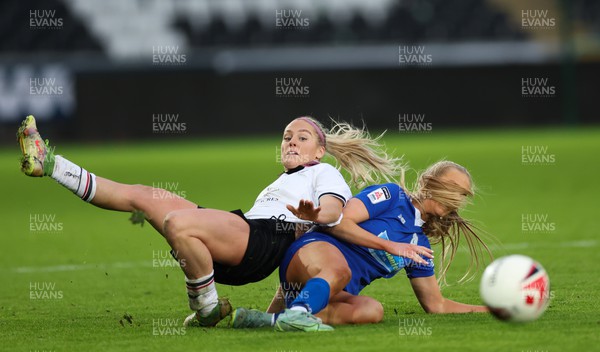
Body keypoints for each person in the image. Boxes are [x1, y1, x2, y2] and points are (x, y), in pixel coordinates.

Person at [16, 114, 403, 328]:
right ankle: (49, 164)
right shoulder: (283, 179)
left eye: (302, 138)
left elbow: (335, 213)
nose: (291, 142)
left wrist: (312, 215)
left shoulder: (324, 173)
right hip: (244, 233)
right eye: (287, 136)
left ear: (319, 151)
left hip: (264, 239)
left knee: (177, 223)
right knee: (141, 196)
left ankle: (206, 307)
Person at [231, 161, 492, 331]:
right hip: (309, 254)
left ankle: (273, 321)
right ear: (427, 183)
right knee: (339, 270)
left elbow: (437, 306)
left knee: (372, 310)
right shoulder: (392, 196)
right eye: (452, 187)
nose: (456, 197)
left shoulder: (419, 245)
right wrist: (389, 246)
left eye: (462, 194)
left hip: (327, 290)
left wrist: (490, 310)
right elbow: (337, 222)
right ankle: (299, 312)